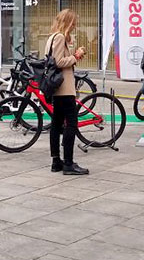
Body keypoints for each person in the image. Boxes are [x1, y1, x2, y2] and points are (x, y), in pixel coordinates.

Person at [46, 9, 89, 176]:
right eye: (73, 23)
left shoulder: (52, 37)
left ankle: (56, 161)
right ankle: (68, 163)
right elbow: (58, 62)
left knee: (56, 124)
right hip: (64, 88)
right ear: (68, 22)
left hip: (58, 89)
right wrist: (76, 56)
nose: (75, 26)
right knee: (71, 124)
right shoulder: (59, 37)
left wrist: (72, 56)